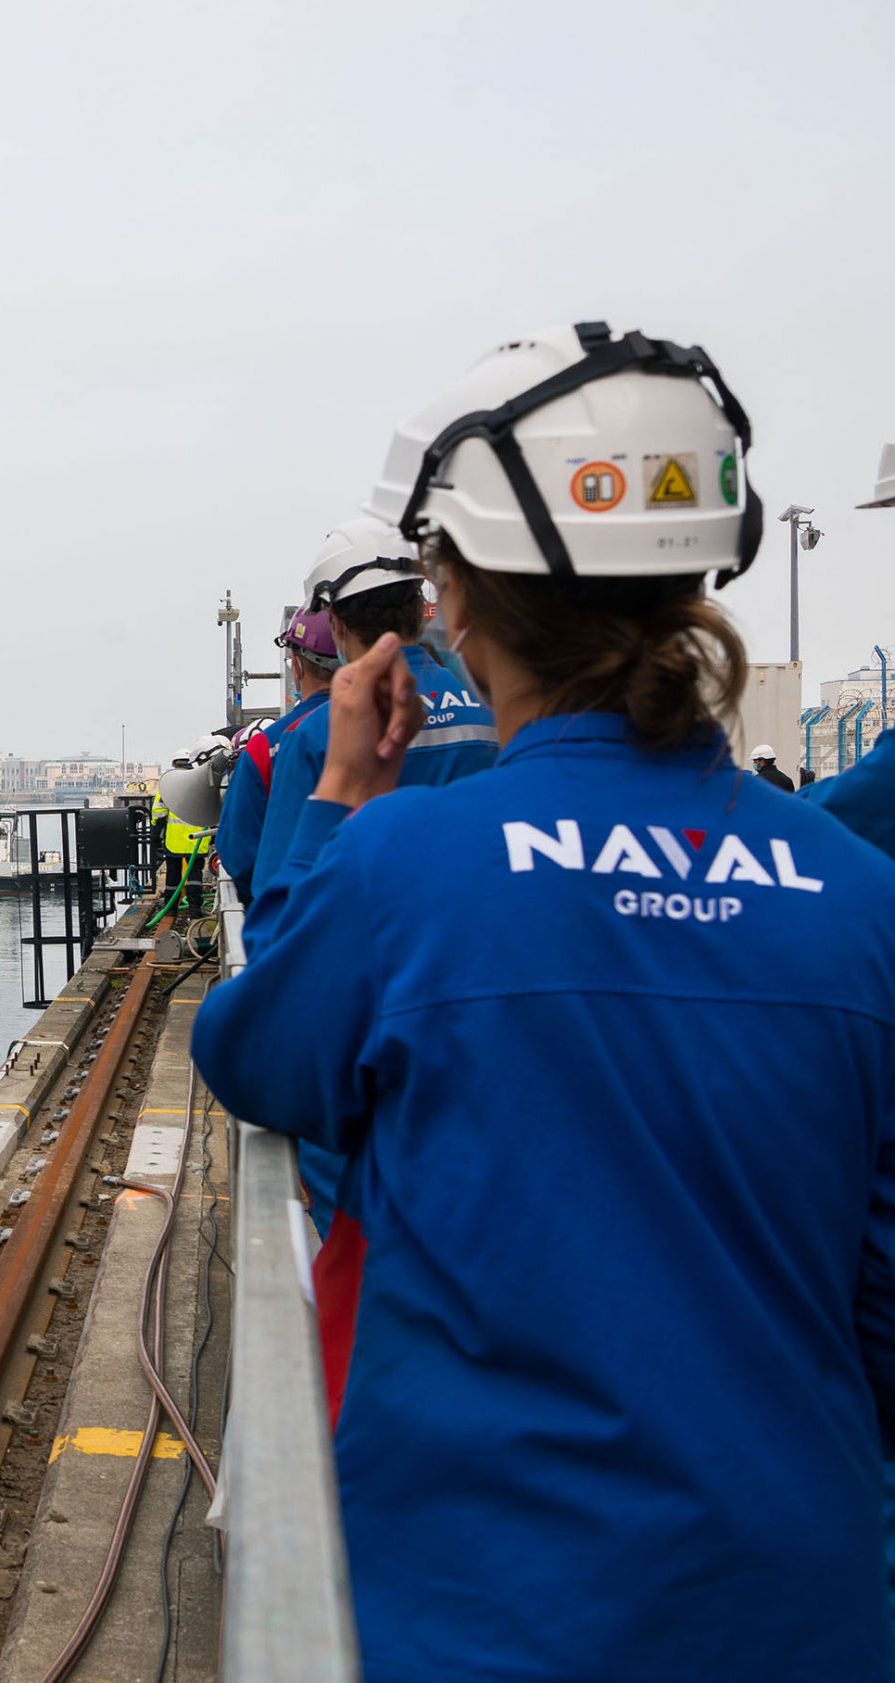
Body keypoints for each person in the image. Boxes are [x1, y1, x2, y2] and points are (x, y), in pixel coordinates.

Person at [195, 321, 895, 1683]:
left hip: (487, 1611)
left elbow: (255, 1051)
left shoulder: (407, 865)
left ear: (453, 595)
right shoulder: (861, 892)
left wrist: (338, 797)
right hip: (802, 1608)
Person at [246, 514, 498, 950]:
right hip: (480, 955)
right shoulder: (494, 714)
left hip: (369, 972)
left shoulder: (315, 736)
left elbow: (280, 902)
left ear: (338, 627)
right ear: (420, 612)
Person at [215, 609, 339, 900]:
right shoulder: (393, 726)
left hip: (297, 919)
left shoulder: (265, 748)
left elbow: (238, 852)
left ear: (296, 666)